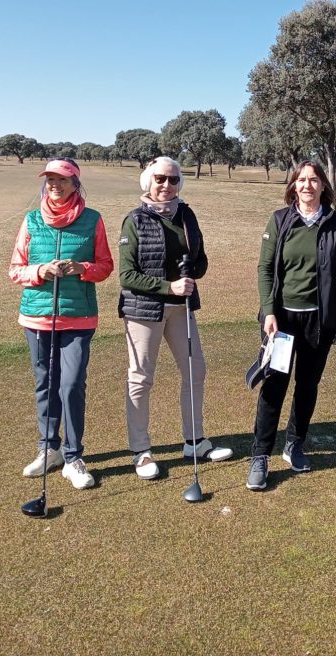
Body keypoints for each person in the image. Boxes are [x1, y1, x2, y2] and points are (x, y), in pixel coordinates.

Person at [118, 156, 232, 479]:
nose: (166, 185)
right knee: (141, 378)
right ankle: (141, 452)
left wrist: (193, 270)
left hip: (181, 307)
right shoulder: (135, 220)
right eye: (160, 179)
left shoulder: (186, 214)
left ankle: (194, 441)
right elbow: (127, 276)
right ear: (148, 182)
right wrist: (170, 285)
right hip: (143, 309)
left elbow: (202, 258)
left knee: (196, 370)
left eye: (172, 179)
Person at [247, 160, 336, 491]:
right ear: (294, 186)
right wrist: (268, 312)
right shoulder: (280, 220)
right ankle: (260, 455)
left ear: (323, 186)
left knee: (307, 386)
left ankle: (295, 444)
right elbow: (265, 268)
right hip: (282, 322)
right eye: (301, 180)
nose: (307, 185)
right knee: (274, 386)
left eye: (314, 180)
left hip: (319, 322)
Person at [9, 158, 114, 490]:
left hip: (78, 317)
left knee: (70, 385)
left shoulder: (92, 220)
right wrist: (41, 271)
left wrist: (80, 268)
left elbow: (105, 266)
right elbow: (15, 270)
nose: (55, 184)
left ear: (75, 183)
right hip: (37, 317)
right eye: (50, 178)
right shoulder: (31, 220)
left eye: (63, 179)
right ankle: (48, 449)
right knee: (45, 384)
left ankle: (73, 457)